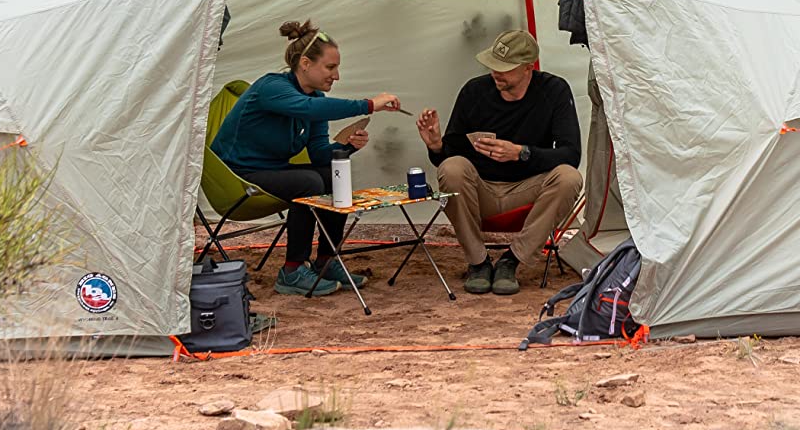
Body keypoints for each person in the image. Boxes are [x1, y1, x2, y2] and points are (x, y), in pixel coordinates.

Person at [211, 19, 402, 298]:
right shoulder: (271, 87)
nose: (336, 76)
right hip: (235, 175)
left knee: (334, 173)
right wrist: (369, 104)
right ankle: (291, 270)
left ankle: (326, 260)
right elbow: (308, 108)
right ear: (305, 64)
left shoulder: (315, 98)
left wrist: (346, 146)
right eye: (330, 67)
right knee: (309, 182)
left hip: (271, 172)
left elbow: (318, 153)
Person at [416, 30, 582, 297]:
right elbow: (450, 154)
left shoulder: (554, 90)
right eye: (493, 64)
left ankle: (512, 261)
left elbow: (570, 154)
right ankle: (478, 262)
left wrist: (521, 153)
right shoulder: (474, 91)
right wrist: (435, 145)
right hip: (481, 191)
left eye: (505, 67)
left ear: (529, 67)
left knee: (569, 177)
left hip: (528, 191)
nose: (496, 72)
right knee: (452, 168)